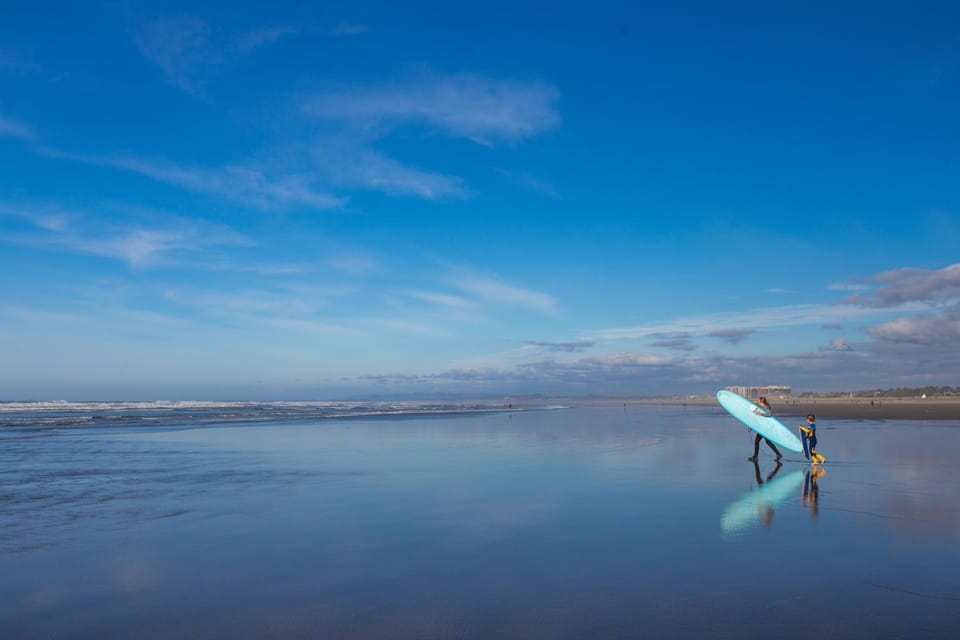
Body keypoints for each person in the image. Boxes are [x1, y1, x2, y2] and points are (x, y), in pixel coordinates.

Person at [748, 396, 782, 461]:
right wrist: (751, 427)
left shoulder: (766, 407)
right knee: (767, 442)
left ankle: (755, 457)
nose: (758, 402)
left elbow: (769, 414)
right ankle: (778, 454)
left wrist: (761, 414)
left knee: (758, 442)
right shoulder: (761, 408)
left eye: (758, 400)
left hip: (764, 428)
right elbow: (758, 419)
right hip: (762, 428)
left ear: (761, 401)